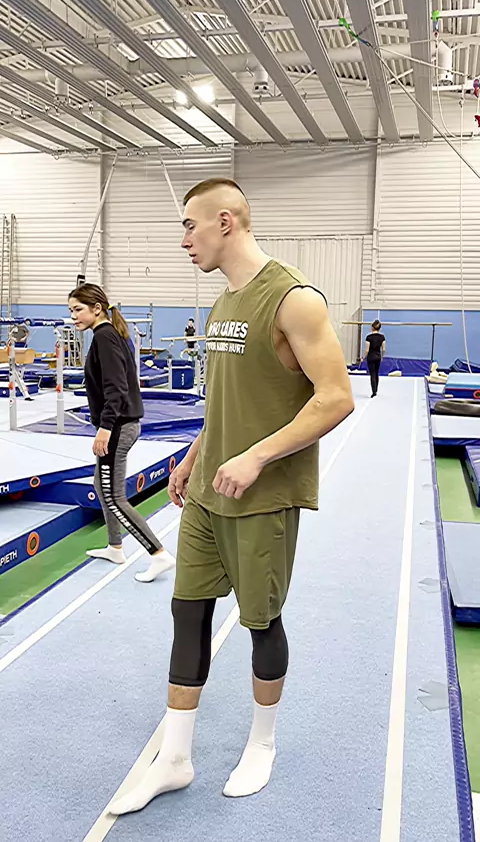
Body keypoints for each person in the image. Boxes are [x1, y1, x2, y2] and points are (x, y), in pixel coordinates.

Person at [110, 178, 354, 817]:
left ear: (226, 221)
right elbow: (225, 404)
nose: (184, 241)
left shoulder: (293, 299)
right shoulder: (222, 304)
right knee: (187, 613)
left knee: (261, 622)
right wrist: (194, 456)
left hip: (263, 496)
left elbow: (336, 398)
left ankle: (262, 743)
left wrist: (256, 456)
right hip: (207, 492)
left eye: (189, 226)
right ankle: (175, 758)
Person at [68, 284, 174, 582]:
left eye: (78, 310)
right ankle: (115, 547)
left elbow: (116, 388)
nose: (73, 316)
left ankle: (159, 554)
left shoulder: (104, 337)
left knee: (114, 497)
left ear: (96, 309)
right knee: (101, 486)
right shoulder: (108, 334)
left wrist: (104, 428)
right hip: (121, 424)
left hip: (117, 426)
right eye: (71, 310)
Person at [362, 319, 386, 398]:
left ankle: (374, 391)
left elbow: (367, 350)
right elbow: (383, 349)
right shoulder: (382, 337)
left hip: (371, 357)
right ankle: (376, 389)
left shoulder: (369, 337)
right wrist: (382, 356)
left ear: (372, 327)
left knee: (372, 374)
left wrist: (363, 357)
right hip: (378, 356)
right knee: (376, 373)